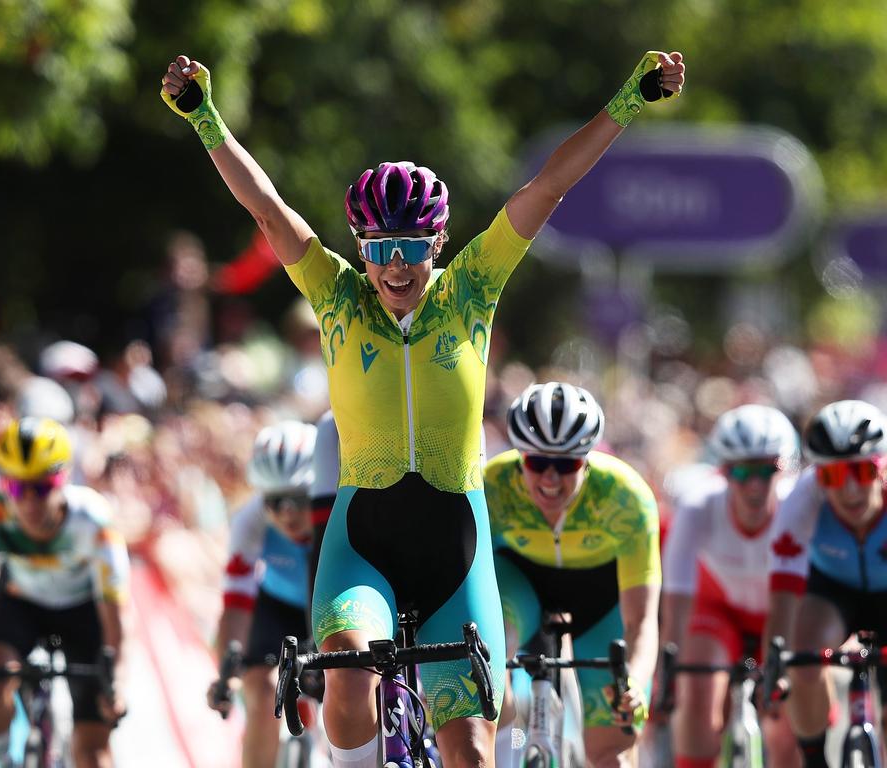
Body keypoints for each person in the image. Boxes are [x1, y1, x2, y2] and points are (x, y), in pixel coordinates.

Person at [161, 48, 685, 768]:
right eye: (380, 248)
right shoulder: (336, 294)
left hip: (455, 548)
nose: (397, 266)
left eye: (412, 246)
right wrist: (205, 118)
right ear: (360, 247)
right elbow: (265, 206)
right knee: (346, 678)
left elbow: (551, 183)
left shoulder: (473, 288)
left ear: (439, 242)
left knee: (469, 750)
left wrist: (629, 101)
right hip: (363, 541)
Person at [486, 382, 660, 768]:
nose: (550, 479)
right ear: (519, 457)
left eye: (566, 464)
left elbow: (641, 619)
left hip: (599, 601)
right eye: (536, 463)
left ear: (588, 458)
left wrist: (634, 681)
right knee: (491, 693)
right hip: (520, 587)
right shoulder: (492, 486)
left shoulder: (626, 497)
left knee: (611, 755)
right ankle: (512, 729)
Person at [0, 417, 129, 768]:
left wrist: (114, 685)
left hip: (84, 611)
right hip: (21, 604)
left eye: (41, 487)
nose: (29, 502)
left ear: (65, 478)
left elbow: (115, 619)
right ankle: (4, 761)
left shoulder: (94, 524)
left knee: (92, 755)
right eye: (16, 489)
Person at [659, 405, 801, 768]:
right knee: (698, 691)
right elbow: (677, 598)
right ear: (723, 471)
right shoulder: (698, 506)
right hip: (718, 611)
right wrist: (667, 672)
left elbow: (802, 596)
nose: (754, 485)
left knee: (787, 720)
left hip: (782, 611)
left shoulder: (796, 507)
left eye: (766, 471)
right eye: (741, 472)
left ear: (783, 469)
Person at [766, 400, 887, 768]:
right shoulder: (801, 500)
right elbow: (783, 595)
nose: (850, 490)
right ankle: (815, 759)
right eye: (833, 476)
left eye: (862, 472)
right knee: (802, 655)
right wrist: (776, 660)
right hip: (832, 591)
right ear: (818, 477)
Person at [207, 420, 317, 768]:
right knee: (261, 690)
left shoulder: (342, 507)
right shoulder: (248, 521)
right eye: (275, 501)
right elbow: (236, 604)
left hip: (333, 602)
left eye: (299, 499)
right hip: (278, 607)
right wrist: (227, 671)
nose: (287, 513)